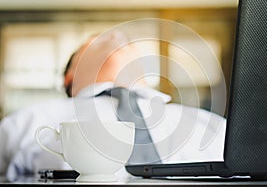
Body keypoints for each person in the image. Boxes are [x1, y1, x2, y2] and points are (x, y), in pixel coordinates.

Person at [0, 31, 226, 181]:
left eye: (127, 44)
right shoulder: (25, 122)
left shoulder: (212, 125)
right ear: (69, 77)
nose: (115, 36)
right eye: (96, 43)